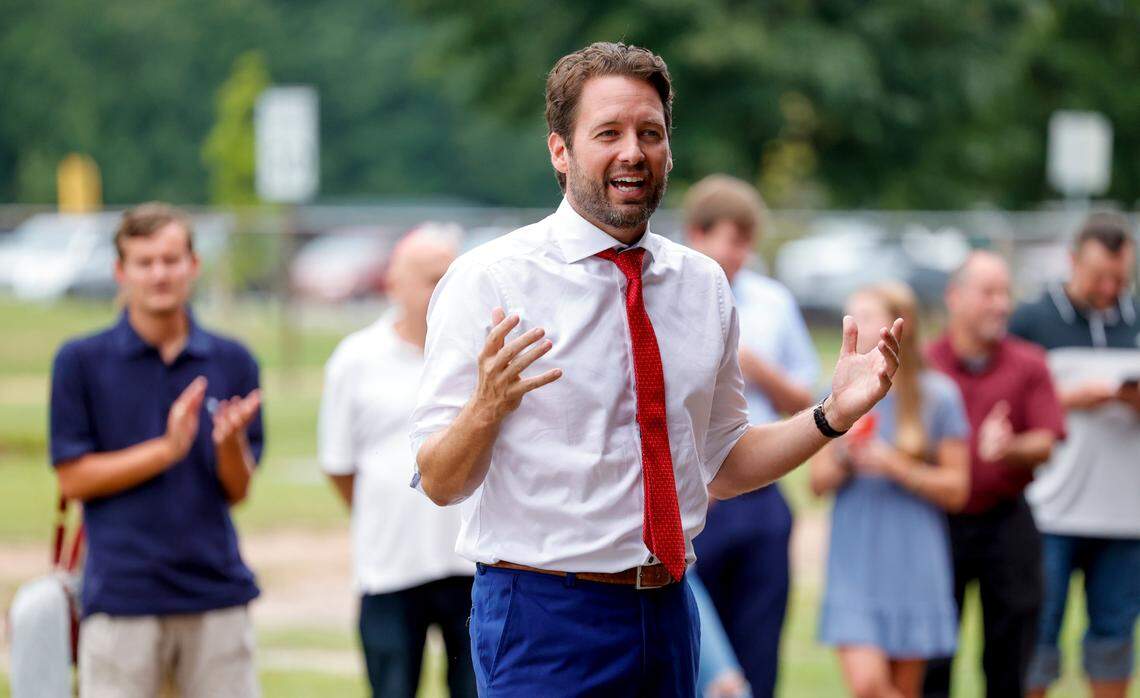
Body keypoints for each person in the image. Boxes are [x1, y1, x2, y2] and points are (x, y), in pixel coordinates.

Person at [410, 42, 904, 697]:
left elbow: (722, 462)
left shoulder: (704, 286)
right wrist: (485, 408)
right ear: (560, 151)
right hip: (542, 617)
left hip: (667, 613)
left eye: (650, 133)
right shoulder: (491, 281)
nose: (633, 152)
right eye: (607, 133)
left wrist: (831, 415)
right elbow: (440, 482)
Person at [49, 203, 263, 698]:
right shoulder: (80, 361)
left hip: (215, 593)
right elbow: (73, 479)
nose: (159, 274)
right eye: (144, 262)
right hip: (122, 597)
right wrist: (166, 450)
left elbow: (238, 491)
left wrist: (229, 445)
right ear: (120, 271)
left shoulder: (233, 360)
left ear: (194, 264)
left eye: (171, 260)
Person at [318, 224, 476, 698]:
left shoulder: (477, 354)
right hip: (389, 567)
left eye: (449, 277)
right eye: (430, 279)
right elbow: (340, 467)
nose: (441, 289)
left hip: (471, 564)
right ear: (393, 284)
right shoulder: (355, 359)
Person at [684, 174, 818, 698]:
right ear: (698, 234)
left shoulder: (772, 303)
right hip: (698, 499)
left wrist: (757, 368)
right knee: (693, 653)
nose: (741, 255)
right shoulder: (668, 297)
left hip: (760, 492)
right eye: (732, 240)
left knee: (760, 647)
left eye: (747, 243)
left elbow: (804, 403)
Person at [810, 282, 970, 698]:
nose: (854, 326)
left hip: (914, 558)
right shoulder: (834, 394)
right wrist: (845, 455)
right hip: (855, 558)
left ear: (901, 326)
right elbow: (816, 484)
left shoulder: (938, 396)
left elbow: (957, 490)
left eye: (866, 317)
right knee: (868, 686)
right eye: (850, 316)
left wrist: (896, 466)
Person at [922, 251, 1066, 698]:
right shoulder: (923, 365)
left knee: (1010, 658)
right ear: (955, 296)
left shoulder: (1030, 363)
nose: (1001, 304)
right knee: (930, 660)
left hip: (1007, 521)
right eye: (988, 293)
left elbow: (1047, 440)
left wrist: (1009, 448)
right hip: (936, 523)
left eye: (1005, 293)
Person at [1011, 213, 1140, 698]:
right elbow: (1006, 404)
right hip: (1050, 513)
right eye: (1098, 277)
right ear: (1072, 261)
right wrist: (1066, 399)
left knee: (1114, 641)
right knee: (1037, 639)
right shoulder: (1032, 320)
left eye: (1119, 279)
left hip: (1126, 519)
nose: (1109, 289)